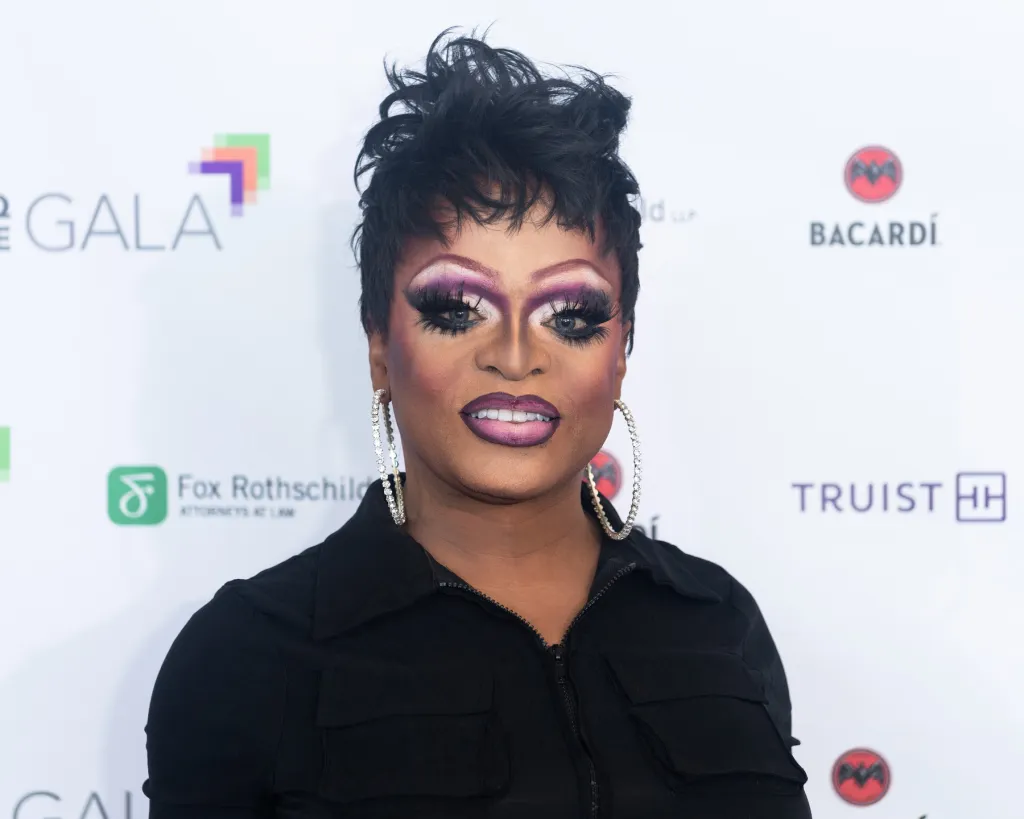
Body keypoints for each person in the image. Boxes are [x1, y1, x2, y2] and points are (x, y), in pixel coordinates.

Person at [142, 29, 812, 819]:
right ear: (379, 345)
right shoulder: (249, 652)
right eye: (457, 309)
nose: (515, 356)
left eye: (571, 315)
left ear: (622, 349)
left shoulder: (718, 619)